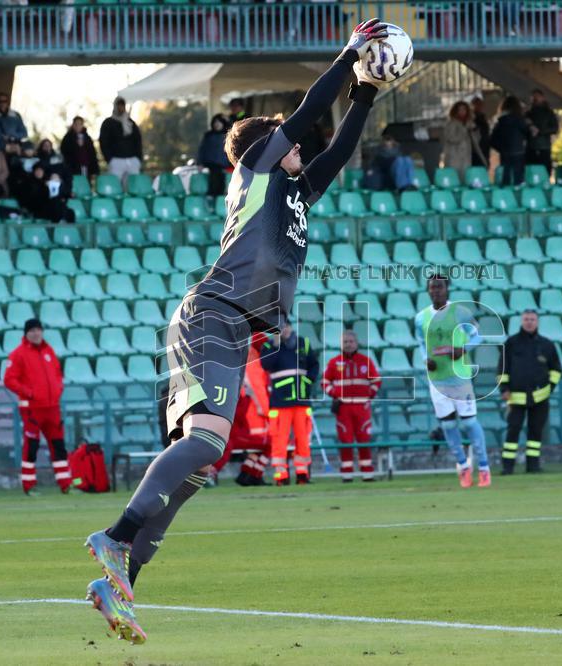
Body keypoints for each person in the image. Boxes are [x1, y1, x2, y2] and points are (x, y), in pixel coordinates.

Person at [80, 19, 389, 644]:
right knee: (207, 445)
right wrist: (348, 54)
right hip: (212, 314)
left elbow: (337, 147)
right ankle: (113, 538)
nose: (298, 141)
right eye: (285, 137)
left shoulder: (296, 190)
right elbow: (305, 118)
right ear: (265, 145)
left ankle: (120, 584)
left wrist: (367, 90)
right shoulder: (256, 164)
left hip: (228, 324)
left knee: (197, 469)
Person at [415, 275, 490, 488]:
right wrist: (425, 359)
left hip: (460, 377)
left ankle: (484, 468)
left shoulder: (460, 312)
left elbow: (477, 336)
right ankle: (463, 467)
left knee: (468, 422)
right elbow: (421, 342)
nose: (436, 290)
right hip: (437, 379)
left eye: (440, 287)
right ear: (428, 291)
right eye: (432, 287)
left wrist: (463, 349)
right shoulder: (421, 318)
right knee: (447, 424)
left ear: (447, 289)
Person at [3, 319, 75, 496]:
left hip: (52, 408)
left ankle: (66, 484)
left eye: (38, 330)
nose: (36, 333)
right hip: (32, 409)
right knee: (32, 446)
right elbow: (9, 379)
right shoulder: (18, 354)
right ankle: (29, 486)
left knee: (58, 446)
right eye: (32, 330)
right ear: (26, 333)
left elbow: (58, 374)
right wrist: (29, 393)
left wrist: (58, 389)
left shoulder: (48, 351)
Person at [499, 309, 562, 475]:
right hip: (515, 397)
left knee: (535, 432)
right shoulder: (511, 343)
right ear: (521, 321)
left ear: (537, 322)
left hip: (540, 397)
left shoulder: (547, 345)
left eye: (532, 319)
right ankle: (507, 467)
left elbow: (556, 370)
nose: (529, 322)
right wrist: (504, 389)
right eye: (526, 319)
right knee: (513, 431)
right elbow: (502, 368)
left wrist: (550, 388)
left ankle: (533, 466)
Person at [260, 321, 320, 485]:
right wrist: (276, 345)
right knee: (279, 440)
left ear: (291, 327)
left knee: (303, 439)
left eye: (286, 326)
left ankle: (302, 474)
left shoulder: (302, 343)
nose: (284, 330)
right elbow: (266, 365)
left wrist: (308, 381)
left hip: (301, 400)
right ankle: (281, 477)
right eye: (279, 328)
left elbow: (314, 365)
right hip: (280, 402)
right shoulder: (268, 345)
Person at [323, 329, 381, 482]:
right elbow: (325, 382)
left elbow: (376, 381)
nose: (348, 345)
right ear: (341, 344)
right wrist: (334, 393)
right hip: (343, 408)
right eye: (345, 342)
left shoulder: (365, 361)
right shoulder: (334, 362)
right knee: (345, 441)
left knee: (364, 440)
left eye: (350, 342)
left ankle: (367, 474)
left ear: (356, 343)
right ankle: (346, 475)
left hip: (362, 407)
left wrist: (370, 394)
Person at [234, 332, 272, 487]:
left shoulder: (255, 360)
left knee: (259, 446)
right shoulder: (251, 361)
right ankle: (254, 474)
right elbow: (250, 389)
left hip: (258, 411)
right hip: (255, 413)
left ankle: (247, 473)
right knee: (266, 444)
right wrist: (260, 407)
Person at [99, 97, 143, 187]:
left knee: (133, 187)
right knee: (115, 186)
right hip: (116, 160)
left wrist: (138, 159)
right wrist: (109, 159)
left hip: (132, 160)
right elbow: (103, 142)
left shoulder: (130, 123)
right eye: (118, 105)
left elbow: (138, 141)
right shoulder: (108, 123)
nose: (120, 108)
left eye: (122, 105)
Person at [490, 96, 529, 187]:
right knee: (518, 177)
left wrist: (501, 148)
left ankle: (506, 194)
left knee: (506, 175)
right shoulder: (520, 120)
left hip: (505, 152)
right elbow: (527, 133)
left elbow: (492, 139)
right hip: (519, 151)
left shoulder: (501, 121)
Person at [442, 101, 483, 179]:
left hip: (466, 157)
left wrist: (475, 131)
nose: (462, 112)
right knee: (454, 178)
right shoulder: (451, 123)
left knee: (466, 178)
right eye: (460, 110)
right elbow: (452, 138)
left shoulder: (469, 123)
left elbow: (476, 141)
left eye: (464, 109)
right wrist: (465, 130)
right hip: (454, 157)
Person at [197, 114, 232, 197]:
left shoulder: (229, 135)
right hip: (210, 164)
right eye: (215, 122)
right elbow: (202, 150)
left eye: (219, 122)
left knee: (222, 184)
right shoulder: (208, 135)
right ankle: (212, 198)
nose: (216, 124)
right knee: (213, 183)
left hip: (224, 165)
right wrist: (200, 163)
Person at [525, 88, 558, 177]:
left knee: (545, 170)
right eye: (533, 97)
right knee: (531, 170)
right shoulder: (528, 113)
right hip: (531, 146)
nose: (535, 99)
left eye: (537, 97)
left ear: (542, 98)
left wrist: (540, 131)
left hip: (544, 146)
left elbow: (554, 128)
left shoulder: (549, 113)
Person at [60, 116, 100, 181]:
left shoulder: (87, 138)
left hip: (87, 167)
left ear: (82, 125)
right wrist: (76, 146)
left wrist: (95, 170)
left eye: (80, 124)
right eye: (76, 124)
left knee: (86, 184)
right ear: (73, 125)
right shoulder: (67, 138)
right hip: (73, 168)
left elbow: (92, 154)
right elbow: (65, 152)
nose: (78, 126)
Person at [470, 96, 490, 167]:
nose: (479, 107)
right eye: (477, 104)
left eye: (480, 104)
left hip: (484, 145)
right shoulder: (471, 117)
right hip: (476, 147)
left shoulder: (482, 116)